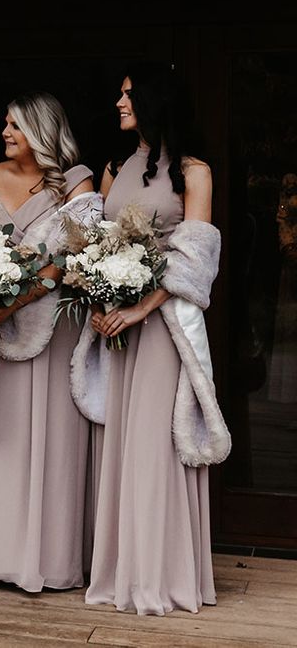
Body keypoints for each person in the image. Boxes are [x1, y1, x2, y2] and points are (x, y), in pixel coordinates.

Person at [77, 63, 230, 615]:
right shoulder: (114, 167)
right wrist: (100, 298)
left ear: (154, 101)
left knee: (154, 443)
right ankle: (121, 571)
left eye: (127, 95)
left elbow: (194, 260)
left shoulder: (195, 171)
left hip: (163, 327)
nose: (119, 104)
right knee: (121, 441)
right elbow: (97, 243)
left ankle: (160, 576)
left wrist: (140, 307)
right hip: (118, 325)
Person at [0, 92, 98, 593]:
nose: (5, 133)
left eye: (15, 125)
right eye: (5, 124)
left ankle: (48, 557)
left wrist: (19, 298)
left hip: (50, 326)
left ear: (40, 129)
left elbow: (79, 253)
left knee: (49, 437)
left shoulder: (76, 181)